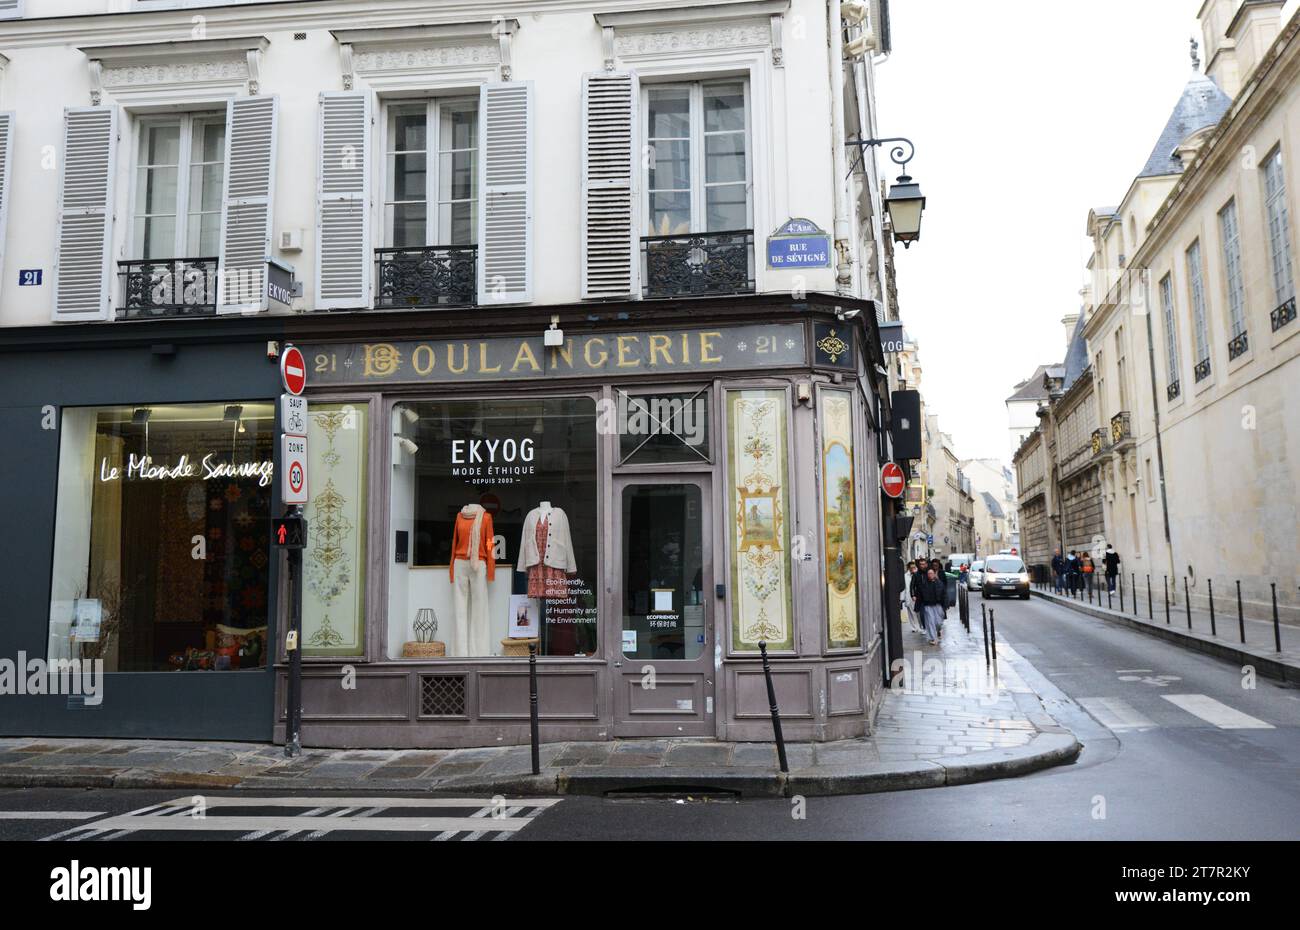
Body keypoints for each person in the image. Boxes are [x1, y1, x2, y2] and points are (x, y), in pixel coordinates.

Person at [917, 566, 949, 646]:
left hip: (938, 605)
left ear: (934, 574)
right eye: (928, 573)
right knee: (930, 622)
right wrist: (917, 606)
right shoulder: (923, 584)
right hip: (928, 605)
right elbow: (920, 596)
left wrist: (945, 605)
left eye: (931, 573)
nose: (930, 575)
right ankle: (933, 638)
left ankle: (938, 631)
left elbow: (944, 594)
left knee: (938, 622)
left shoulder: (939, 583)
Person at [902, 561, 923, 633]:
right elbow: (904, 587)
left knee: (917, 612)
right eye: (911, 568)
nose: (913, 569)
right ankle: (913, 627)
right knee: (910, 613)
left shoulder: (918, 575)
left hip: (917, 596)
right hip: (908, 596)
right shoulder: (905, 576)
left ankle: (920, 626)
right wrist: (902, 598)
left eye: (914, 567)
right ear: (908, 568)